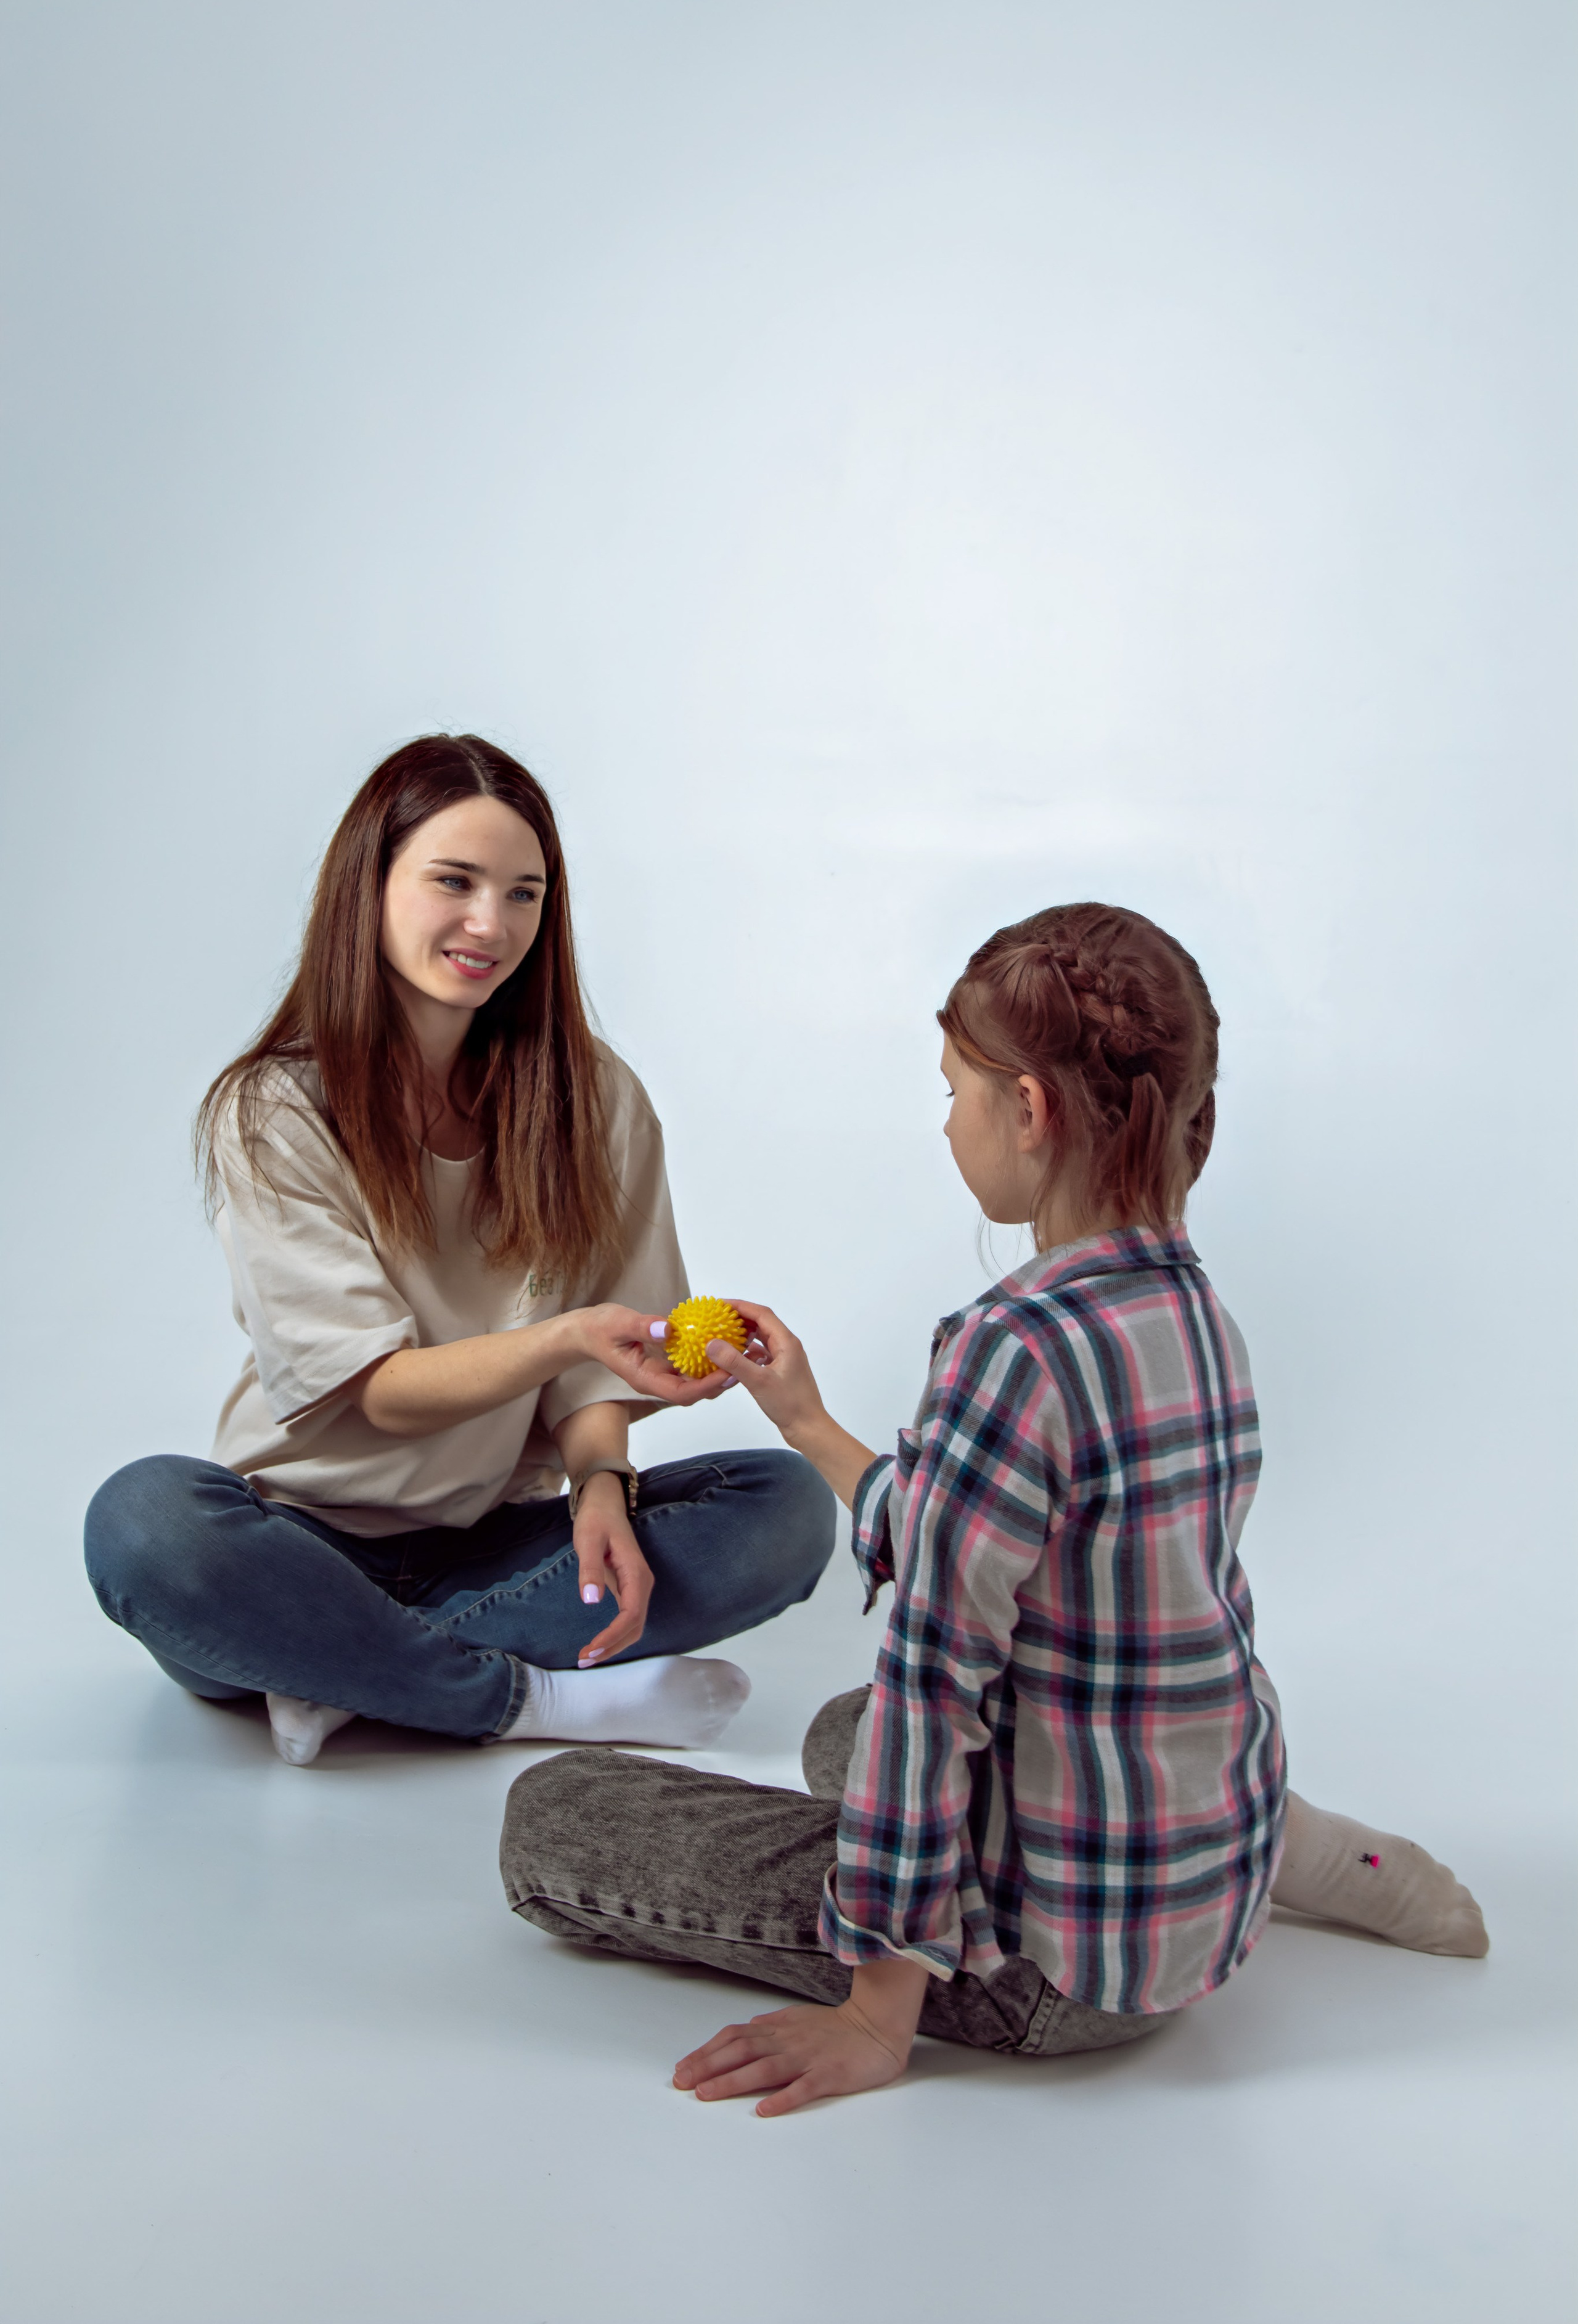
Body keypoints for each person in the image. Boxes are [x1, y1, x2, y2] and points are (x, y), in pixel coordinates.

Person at [502, 903, 1488, 2116]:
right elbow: (1002, 1557)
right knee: (835, 1736)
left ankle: (941, 1955)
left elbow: (932, 1688)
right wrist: (805, 1419)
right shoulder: (1191, 1314)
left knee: (552, 1816)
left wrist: (875, 2010)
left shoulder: (1009, 1349)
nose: (947, 1121)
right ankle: (1278, 1846)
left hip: (1051, 1971)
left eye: (955, 1091)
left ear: (1027, 1108)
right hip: (1184, 1872)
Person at [84, 735, 835, 1765]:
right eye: (455, 881)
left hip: (498, 1539)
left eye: (525, 894)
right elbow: (378, 1390)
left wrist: (601, 1489)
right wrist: (567, 1334)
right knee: (144, 1523)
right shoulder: (272, 1110)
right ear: (371, 883)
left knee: (783, 1508)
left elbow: (592, 1385)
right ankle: (528, 1698)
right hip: (292, 1543)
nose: (492, 924)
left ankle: (343, 1674)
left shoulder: (596, 1098)